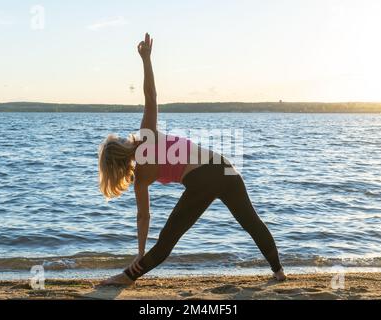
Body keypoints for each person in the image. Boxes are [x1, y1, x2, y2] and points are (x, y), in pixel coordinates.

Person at [97, 33, 286, 285]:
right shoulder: (146, 137)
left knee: (168, 238)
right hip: (224, 167)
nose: (123, 137)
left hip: (203, 178)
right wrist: (146, 60)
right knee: (251, 222)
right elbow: (150, 96)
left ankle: (128, 276)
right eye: (118, 139)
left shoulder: (141, 176)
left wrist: (141, 253)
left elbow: (143, 218)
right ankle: (279, 272)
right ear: (119, 150)